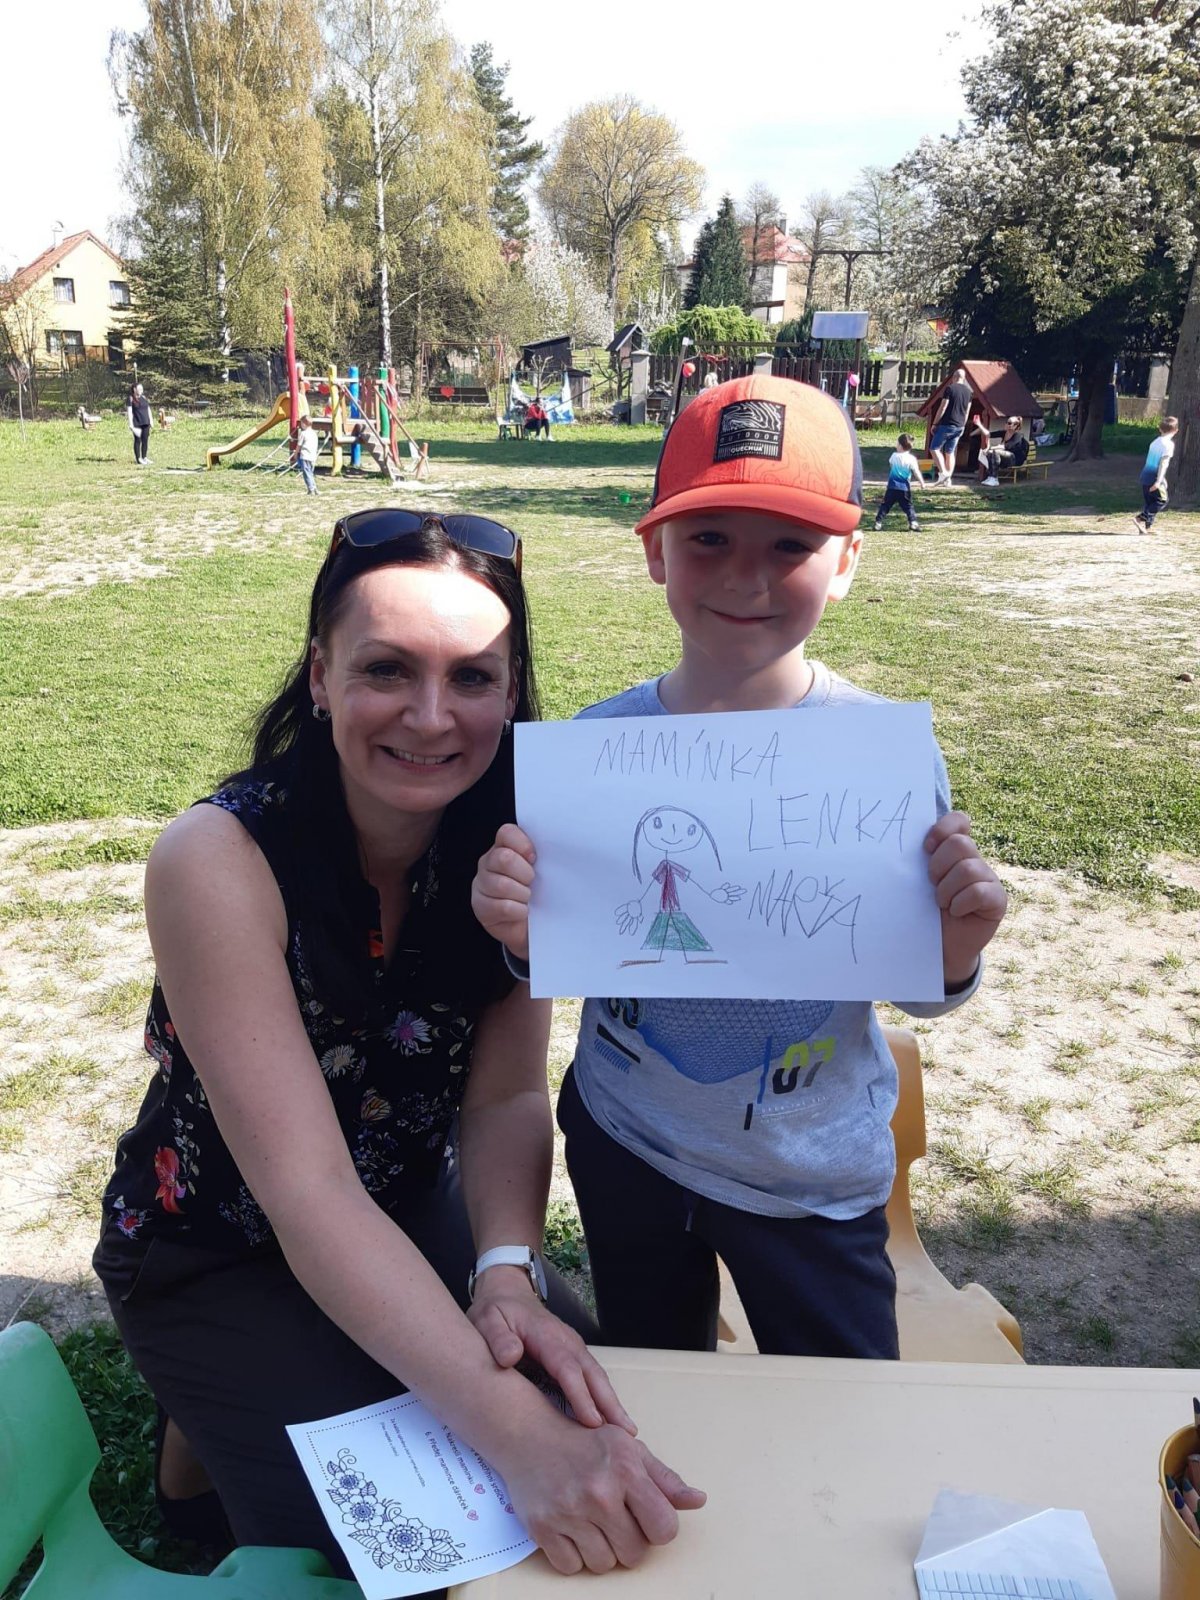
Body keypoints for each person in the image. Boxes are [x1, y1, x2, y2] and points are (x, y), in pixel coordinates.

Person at [92, 510, 705, 1575]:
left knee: (605, 1412)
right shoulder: (217, 859)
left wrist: (505, 1272)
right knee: (441, 1543)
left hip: (414, 1209)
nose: (431, 716)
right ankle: (201, 1428)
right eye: (386, 669)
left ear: (512, 692)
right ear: (320, 676)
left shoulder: (524, 838)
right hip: (218, 1246)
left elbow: (506, 1096)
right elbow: (309, 1193)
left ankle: (246, 1397)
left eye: (472, 677)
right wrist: (515, 1437)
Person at [474, 375, 1008, 1361]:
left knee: (842, 1406)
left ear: (847, 561)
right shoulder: (599, 748)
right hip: (628, 1142)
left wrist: (955, 951)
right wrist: (520, 930)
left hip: (810, 1178)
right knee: (660, 1383)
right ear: (655, 551)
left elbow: (918, 983)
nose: (746, 577)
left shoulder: (880, 759)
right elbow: (572, 948)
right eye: (710, 538)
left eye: (791, 545)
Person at [1134, 415, 1179, 534]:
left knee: (1150, 502)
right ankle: (1140, 518)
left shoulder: (1154, 442)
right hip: (1154, 477)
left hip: (1145, 475)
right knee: (1162, 500)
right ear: (1176, 431)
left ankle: (1147, 528)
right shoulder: (1169, 445)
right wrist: (1159, 481)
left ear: (1160, 429)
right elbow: (1163, 463)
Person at [929, 367, 972, 485]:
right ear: (964, 378)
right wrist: (963, 426)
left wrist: (935, 423)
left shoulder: (950, 389)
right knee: (950, 452)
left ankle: (943, 473)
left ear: (954, 377)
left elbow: (943, 407)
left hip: (947, 424)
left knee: (934, 448)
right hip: (959, 426)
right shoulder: (969, 392)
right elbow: (967, 412)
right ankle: (948, 480)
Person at [873, 432, 924, 530]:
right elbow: (916, 472)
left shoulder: (894, 456)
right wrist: (922, 482)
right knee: (908, 506)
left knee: (885, 505)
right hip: (904, 488)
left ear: (900, 446)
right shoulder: (911, 459)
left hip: (892, 487)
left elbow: (891, 466)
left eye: (897, 443)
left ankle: (878, 522)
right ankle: (913, 522)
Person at [977, 416, 1029, 486]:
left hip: (1015, 460)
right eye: (1007, 422)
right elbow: (988, 434)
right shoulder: (1004, 433)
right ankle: (991, 477)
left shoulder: (1018, 436)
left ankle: (994, 479)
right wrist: (979, 424)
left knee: (995, 452)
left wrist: (990, 448)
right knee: (990, 453)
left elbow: (1005, 446)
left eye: (1009, 423)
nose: (1006, 424)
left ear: (1015, 426)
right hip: (1005, 458)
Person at [292, 412, 319, 495]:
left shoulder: (303, 434)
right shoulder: (314, 433)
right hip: (312, 456)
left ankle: (311, 489)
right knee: (310, 472)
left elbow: (299, 445)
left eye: (301, 423)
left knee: (306, 473)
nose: (301, 425)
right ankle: (314, 488)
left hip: (305, 455)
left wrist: (295, 453)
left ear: (304, 424)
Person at [127, 382, 152, 465]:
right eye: (139, 389)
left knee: (145, 440)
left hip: (146, 422)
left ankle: (144, 457)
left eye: (142, 389)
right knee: (138, 440)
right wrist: (131, 424)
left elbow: (148, 409)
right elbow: (129, 412)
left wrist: (151, 420)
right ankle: (138, 458)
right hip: (137, 423)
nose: (141, 390)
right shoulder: (131, 398)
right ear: (134, 389)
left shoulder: (144, 398)